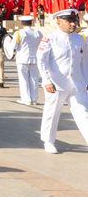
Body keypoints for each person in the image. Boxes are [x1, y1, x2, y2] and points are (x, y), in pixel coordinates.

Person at [37, 8, 88, 154]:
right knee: (52, 113)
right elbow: (42, 60)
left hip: (77, 84)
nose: (73, 24)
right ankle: (48, 141)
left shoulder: (80, 39)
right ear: (58, 21)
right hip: (56, 84)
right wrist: (46, 80)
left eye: (74, 21)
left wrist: (86, 79)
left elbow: (85, 61)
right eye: (69, 21)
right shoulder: (50, 38)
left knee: (83, 112)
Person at [12, 15, 41, 106]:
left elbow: (14, 46)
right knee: (34, 79)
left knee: (23, 79)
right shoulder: (38, 33)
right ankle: (34, 99)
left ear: (21, 23)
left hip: (22, 59)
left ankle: (26, 99)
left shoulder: (19, 33)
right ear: (31, 22)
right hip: (35, 58)